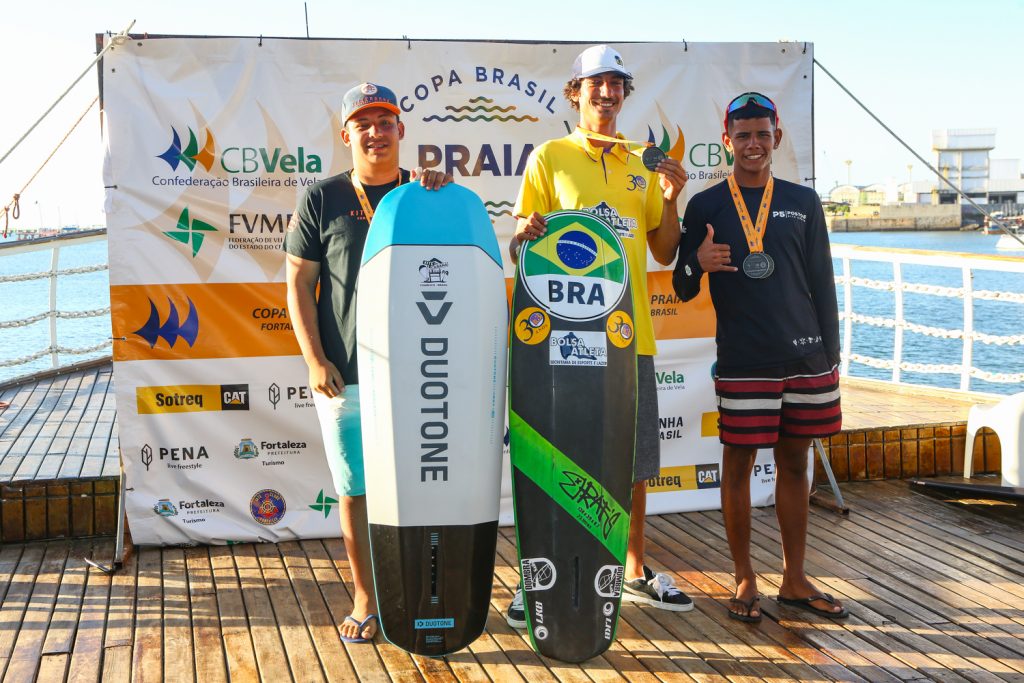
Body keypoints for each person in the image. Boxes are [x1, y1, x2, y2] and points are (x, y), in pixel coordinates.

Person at [507, 44, 692, 628]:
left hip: (626, 335)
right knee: (555, 457)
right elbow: (519, 238)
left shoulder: (646, 159)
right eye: (596, 86)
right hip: (560, 338)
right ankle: (537, 572)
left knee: (632, 461)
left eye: (616, 86)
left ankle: (632, 568)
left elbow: (664, 249)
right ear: (576, 92)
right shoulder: (549, 156)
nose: (606, 95)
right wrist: (525, 230)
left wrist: (671, 198)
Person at [284, 82, 450, 643]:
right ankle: (365, 596)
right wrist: (314, 358)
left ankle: (424, 592)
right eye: (364, 123)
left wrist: (445, 197)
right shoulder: (321, 198)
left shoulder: (428, 193)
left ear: (401, 131)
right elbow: (299, 285)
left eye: (385, 122)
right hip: (345, 373)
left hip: (421, 370)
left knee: (422, 486)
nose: (375, 133)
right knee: (354, 490)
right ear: (346, 133)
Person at [671, 92, 847, 622]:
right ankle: (744, 578)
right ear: (726, 140)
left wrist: (831, 357)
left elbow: (823, 285)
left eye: (762, 134)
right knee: (738, 468)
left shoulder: (803, 200)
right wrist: (697, 262)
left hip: (805, 358)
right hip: (744, 360)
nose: (753, 144)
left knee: (796, 464)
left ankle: (794, 580)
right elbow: (680, 288)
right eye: (742, 134)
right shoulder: (705, 205)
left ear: (777, 138)